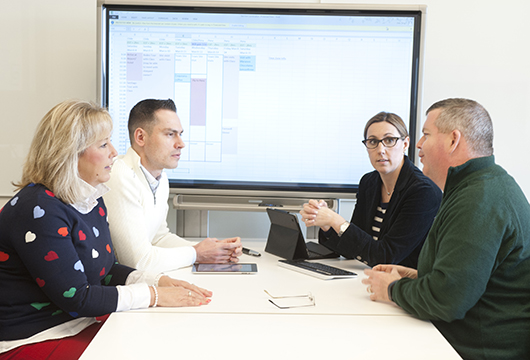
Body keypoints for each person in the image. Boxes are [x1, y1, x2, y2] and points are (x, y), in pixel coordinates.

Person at [0, 100, 212, 359]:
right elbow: (78, 298)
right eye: (103, 144)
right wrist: (154, 295)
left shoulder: (90, 198)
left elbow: (106, 269)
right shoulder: (38, 209)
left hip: (80, 324)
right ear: (69, 153)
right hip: (35, 337)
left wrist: (157, 281)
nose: (114, 151)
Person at [363, 98, 530, 359]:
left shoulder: (479, 200)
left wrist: (392, 289)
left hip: (472, 349)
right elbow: (469, 279)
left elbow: (447, 300)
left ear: (453, 140)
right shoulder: (481, 186)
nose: (418, 145)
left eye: (426, 135)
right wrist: (419, 276)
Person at [103, 99, 242, 273]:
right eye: (170, 134)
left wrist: (212, 250)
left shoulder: (161, 178)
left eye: (180, 134)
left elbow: (158, 238)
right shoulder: (119, 174)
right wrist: (196, 253)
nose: (181, 143)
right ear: (140, 137)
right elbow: (137, 262)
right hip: (116, 288)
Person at [300, 112, 441, 268]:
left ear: (405, 144)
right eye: (373, 141)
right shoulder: (369, 182)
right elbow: (352, 248)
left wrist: (335, 220)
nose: (380, 149)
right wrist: (327, 224)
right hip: (369, 276)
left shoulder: (422, 191)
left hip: (404, 284)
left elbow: (386, 257)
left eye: (389, 140)